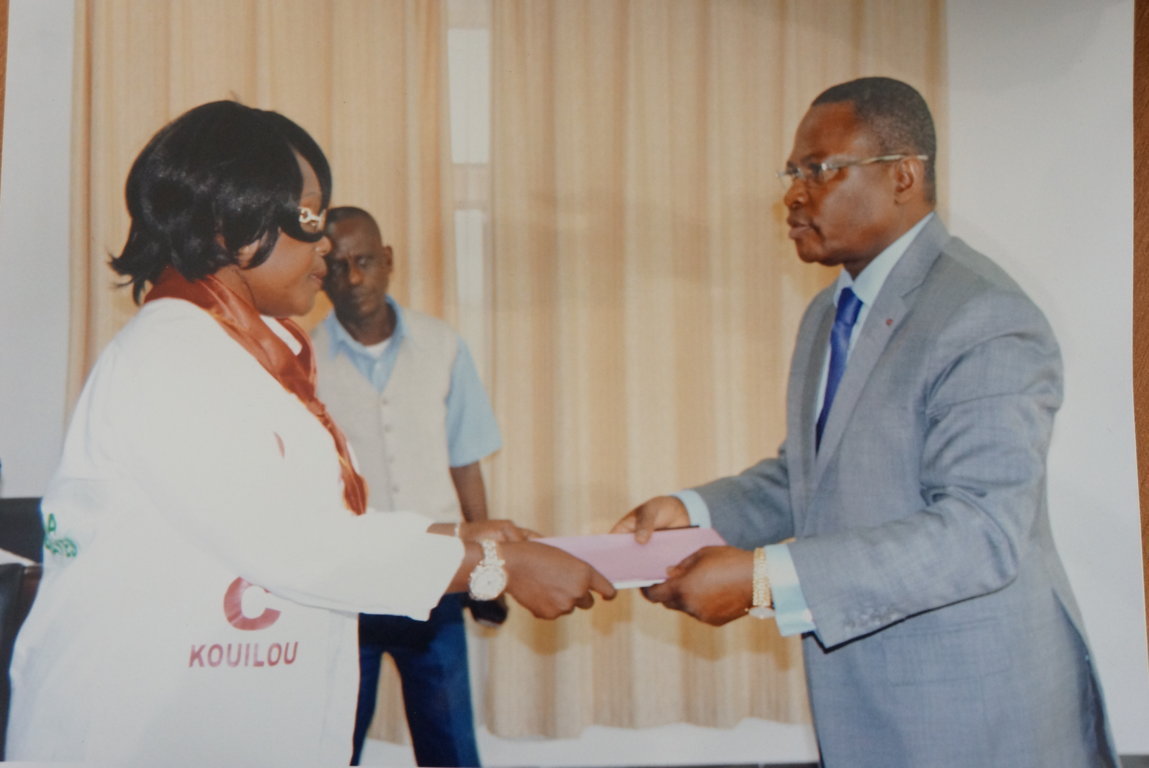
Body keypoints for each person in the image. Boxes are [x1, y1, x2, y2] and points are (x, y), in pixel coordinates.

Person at [6, 100, 614, 767]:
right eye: (308, 217)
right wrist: (493, 567)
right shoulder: (173, 357)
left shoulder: (246, 354)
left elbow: (309, 522)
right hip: (141, 731)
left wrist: (458, 535)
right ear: (230, 225)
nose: (324, 243)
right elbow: (297, 546)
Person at [612, 77, 1117, 767]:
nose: (793, 195)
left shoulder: (983, 316)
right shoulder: (828, 312)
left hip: (975, 710)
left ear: (903, 176)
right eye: (792, 173)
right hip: (869, 698)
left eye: (819, 170)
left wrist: (764, 579)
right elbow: (810, 474)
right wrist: (694, 510)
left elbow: (980, 532)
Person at [312, 206, 504, 767]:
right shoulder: (303, 362)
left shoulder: (443, 345)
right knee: (334, 745)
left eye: (365, 261)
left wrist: (488, 572)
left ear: (388, 260)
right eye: (337, 266)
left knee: (449, 748)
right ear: (320, 275)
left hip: (435, 581)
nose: (353, 278)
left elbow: (466, 462)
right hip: (348, 588)